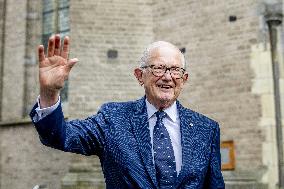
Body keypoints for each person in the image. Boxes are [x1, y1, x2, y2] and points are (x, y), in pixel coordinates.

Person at [30, 34, 225, 189]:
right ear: (140, 75)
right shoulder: (113, 118)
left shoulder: (206, 129)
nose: (167, 77)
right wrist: (49, 92)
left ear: (184, 79)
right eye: (159, 68)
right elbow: (60, 136)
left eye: (175, 70)